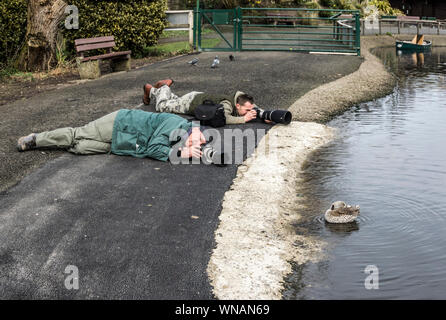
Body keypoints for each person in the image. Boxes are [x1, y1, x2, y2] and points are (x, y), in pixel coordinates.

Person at [17, 109, 207, 162]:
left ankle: (58, 143)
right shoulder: (175, 126)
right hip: (120, 123)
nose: (190, 145)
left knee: (81, 148)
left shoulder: (186, 130)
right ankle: (35, 139)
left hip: (124, 143)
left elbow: (197, 124)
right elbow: (154, 149)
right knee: (77, 134)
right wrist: (184, 154)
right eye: (192, 142)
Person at [143, 79, 272, 124]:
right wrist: (243, 119)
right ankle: (164, 87)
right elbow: (224, 119)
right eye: (247, 110)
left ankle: (152, 90)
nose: (250, 111)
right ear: (237, 105)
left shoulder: (242, 99)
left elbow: (252, 105)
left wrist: (264, 115)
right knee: (162, 106)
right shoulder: (227, 105)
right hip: (191, 103)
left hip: (198, 97)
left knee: (174, 101)